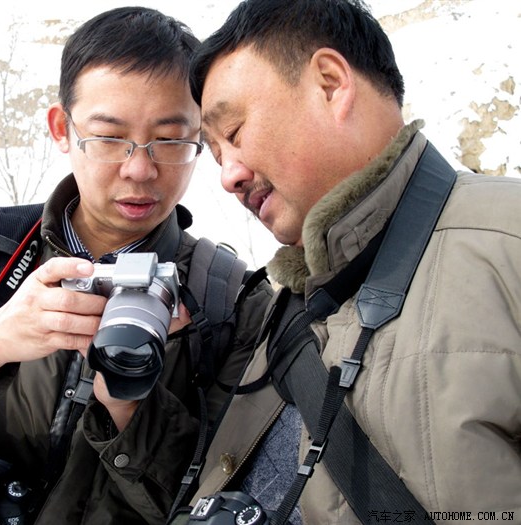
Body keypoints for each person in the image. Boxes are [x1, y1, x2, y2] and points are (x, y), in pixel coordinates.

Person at [0, 7, 273, 525]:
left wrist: (129, 408)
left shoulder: (229, 302)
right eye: (109, 136)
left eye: (170, 140)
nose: (140, 167)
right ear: (62, 128)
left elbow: (232, 501)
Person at [175, 0, 521, 523]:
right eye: (216, 153)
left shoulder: (508, 244)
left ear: (331, 84)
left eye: (236, 132)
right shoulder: (283, 313)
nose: (228, 175)